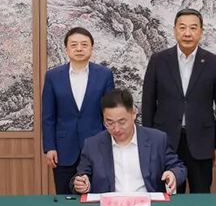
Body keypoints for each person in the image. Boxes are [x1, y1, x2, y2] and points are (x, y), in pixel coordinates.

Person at [142, 8, 216, 194]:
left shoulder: (214, 63)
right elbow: (148, 103)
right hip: (165, 141)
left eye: (193, 28)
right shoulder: (158, 60)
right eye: (182, 28)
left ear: (201, 32)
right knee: (170, 196)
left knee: (201, 196)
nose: (187, 33)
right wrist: (148, 143)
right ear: (175, 30)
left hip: (201, 141)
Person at [42, 27, 115, 194]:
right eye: (74, 45)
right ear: (66, 49)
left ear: (92, 48)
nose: (79, 49)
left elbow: (110, 113)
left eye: (84, 44)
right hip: (63, 149)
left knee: (97, 195)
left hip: (97, 146)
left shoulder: (104, 75)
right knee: (65, 197)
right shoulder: (53, 76)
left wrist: (110, 143)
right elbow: (48, 116)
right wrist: (50, 147)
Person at [73, 89, 187, 194]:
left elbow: (178, 168)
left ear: (133, 114)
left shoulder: (157, 140)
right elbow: (81, 177)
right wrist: (82, 184)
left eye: (122, 122)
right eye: (110, 123)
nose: (116, 129)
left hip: (148, 205)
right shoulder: (92, 145)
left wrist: (173, 174)